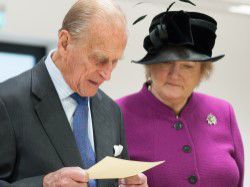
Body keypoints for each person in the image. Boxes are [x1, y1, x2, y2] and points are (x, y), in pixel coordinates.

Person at [0, 0, 148, 186]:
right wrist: (44, 184)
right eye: (99, 59)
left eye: (115, 61)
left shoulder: (112, 111)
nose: (107, 74)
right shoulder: (7, 102)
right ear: (65, 43)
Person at [117, 9, 244, 187]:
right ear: (150, 66)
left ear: (203, 72)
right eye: (166, 62)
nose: (175, 74)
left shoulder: (224, 112)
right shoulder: (117, 114)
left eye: (188, 66)